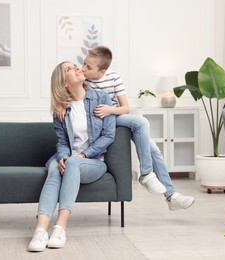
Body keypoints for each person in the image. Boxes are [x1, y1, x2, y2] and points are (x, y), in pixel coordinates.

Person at [81, 45, 194, 211]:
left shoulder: (113, 78)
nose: (83, 68)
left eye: (88, 67)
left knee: (153, 148)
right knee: (142, 124)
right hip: (99, 123)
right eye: (84, 63)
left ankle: (170, 195)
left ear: (102, 71)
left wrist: (110, 109)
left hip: (115, 116)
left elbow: (125, 108)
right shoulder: (83, 80)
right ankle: (147, 174)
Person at [27, 61, 116, 252]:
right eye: (69, 69)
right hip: (70, 159)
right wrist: (63, 156)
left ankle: (60, 228)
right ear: (64, 83)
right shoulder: (61, 108)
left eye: (75, 65)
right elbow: (62, 142)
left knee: (74, 162)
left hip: (94, 162)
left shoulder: (101, 98)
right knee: (54, 167)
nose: (77, 68)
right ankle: (40, 230)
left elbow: (108, 136)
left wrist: (83, 154)